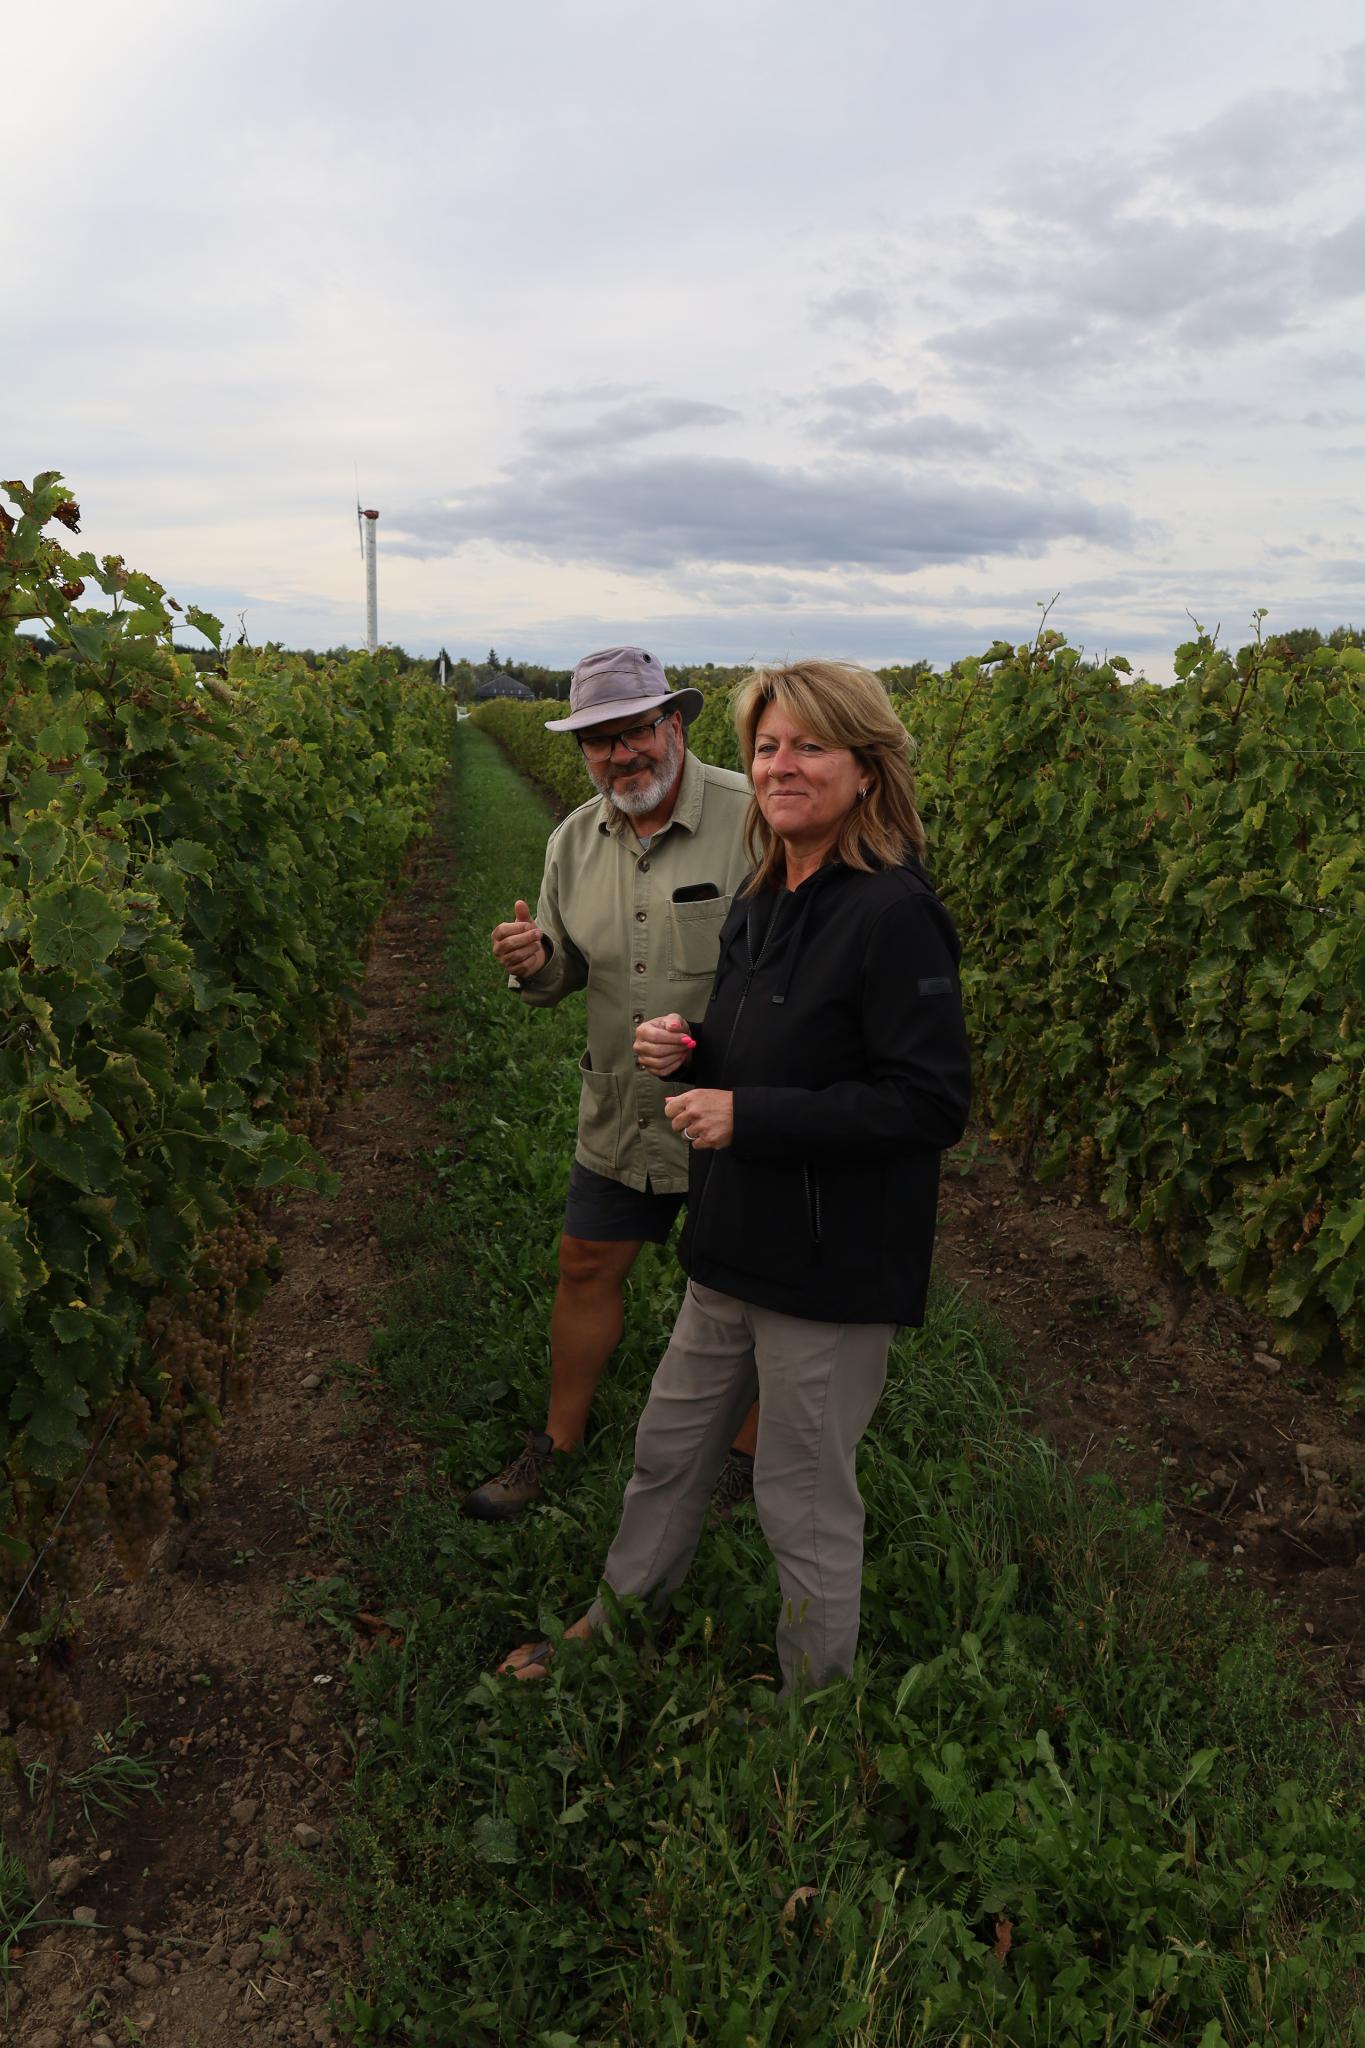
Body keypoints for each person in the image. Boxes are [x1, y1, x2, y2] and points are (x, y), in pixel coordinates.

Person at [497, 658, 971, 1694]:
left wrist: (746, 1112)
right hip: (734, 1236)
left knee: (799, 1496)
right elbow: (774, 1047)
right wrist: (698, 1051)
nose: (780, 764)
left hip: (828, 1261)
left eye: (809, 745)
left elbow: (930, 1101)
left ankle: (813, 1707)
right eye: (768, 746)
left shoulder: (893, 914)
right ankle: (613, 1621)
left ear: (867, 766)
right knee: (668, 1448)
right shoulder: (769, 891)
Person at [463, 645, 758, 1521]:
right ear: (581, 751)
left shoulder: (753, 821)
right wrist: (536, 960)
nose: (621, 755)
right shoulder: (570, 842)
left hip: (737, 1109)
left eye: (636, 731)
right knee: (585, 1262)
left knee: (747, 1293)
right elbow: (565, 974)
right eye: (600, 741)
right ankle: (557, 1440)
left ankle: (741, 1456)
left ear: (673, 725)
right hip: (623, 1105)